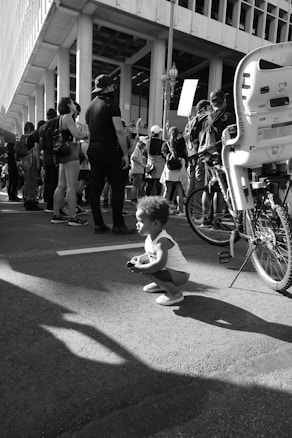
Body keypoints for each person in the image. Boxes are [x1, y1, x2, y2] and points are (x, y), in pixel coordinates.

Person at [85, 74, 135, 234]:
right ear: (108, 87)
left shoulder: (89, 107)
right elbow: (119, 131)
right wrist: (125, 154)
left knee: (96, 187)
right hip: (109, 150)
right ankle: (118, 225)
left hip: (93, 149)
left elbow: (90, 132)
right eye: (113, 86)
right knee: (118, 186)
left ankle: (99, 224)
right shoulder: (111, 104)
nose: (114, 89)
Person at [127, 196, 190, 306]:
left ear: (155, 224)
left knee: (150, 269)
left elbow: (160, 263)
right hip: (171, 272)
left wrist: (140, 268)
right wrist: (140, 259)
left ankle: (175, 293)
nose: (137, 224)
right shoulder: (151, 237)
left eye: (141, 221)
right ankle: (161, 285)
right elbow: (150, 254)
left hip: (180, 275)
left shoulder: (162, 241)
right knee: (147, 267)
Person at [51, 97, 88, 226]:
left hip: (62, 153)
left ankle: (56, 214)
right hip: (70, 153)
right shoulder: (67, 117)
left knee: (61, 185)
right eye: (72, 103)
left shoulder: (60, 118)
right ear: (68, 105)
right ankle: (73, 217)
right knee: (71, 186)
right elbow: (77, 135)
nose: (74, 105)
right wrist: (87, 134)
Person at [160, 126, 189, 215]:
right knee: (180, 190)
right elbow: (188, 134)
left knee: (167, 190)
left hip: (169, 168)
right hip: (180, 167)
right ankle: (181, 210)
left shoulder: (167, 143)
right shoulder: (181, 141)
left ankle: (164, 209)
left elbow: (163, 154)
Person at [184, 100, 210, 194]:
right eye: (209, 108)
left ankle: (190, 206)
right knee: (201, 184)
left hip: (192, 156)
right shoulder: (206, 119)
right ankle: (197, 207)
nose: (210, 110)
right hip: (201, 155)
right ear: (203, 109)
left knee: (192, 183)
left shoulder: (191, 123)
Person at [39, 108, 59, 212]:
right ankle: (51, 204)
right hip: (53, 155)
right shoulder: (55, 124)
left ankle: (47, 201)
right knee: (54, 181)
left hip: (45, 156)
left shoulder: (42, 127)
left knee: (48, 180)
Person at [21, 121, 44, 211]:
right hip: (31, 159)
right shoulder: (34, 136)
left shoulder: (23, 137)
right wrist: (38, 162)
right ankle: (32, 202)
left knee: (27, 181)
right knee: (33, 181)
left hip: (24, 159)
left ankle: (27, 200)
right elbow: (36, 149)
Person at [145, 125, 165, 196]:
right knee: (158, 184)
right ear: (158, 133)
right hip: (159, 165)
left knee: (149, 184)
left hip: (150, 164)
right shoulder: (162, 143)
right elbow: (164, 154)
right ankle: (157, 198)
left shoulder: (148, 142)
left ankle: (147, 197)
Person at [129, 135, 148, 205]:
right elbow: (133, 157)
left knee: (137, 185)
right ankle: (133, 199)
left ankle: (134, 199)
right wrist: (141, 164)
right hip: (137, 170)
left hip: (138, 170)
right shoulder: (137, 149)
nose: (144, 146)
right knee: (135, 185)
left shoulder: (139, 150)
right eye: (143, 144)